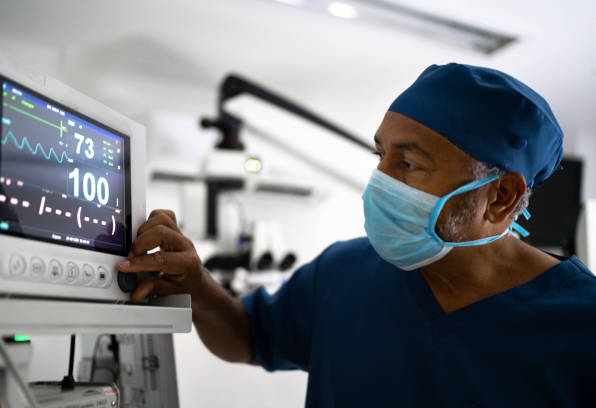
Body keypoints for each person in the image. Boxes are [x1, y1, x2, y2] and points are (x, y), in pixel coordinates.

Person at [117, 63, 596, 406]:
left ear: (501, 198)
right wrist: (199, 288)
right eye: (380, 157)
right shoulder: (346, 271)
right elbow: (248, 337)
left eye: (407, 164)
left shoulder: (579, 327)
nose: (380, 182)